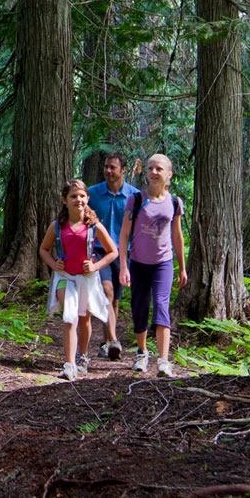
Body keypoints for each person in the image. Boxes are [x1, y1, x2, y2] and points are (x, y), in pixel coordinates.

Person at [39, 179, 118, 380]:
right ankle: (69, 364)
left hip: (87, 279)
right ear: (64, 200)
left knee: (84, 318)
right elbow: (43, 249)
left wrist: (95, 266)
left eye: (82, 196)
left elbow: (112, 252)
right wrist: (53, 264)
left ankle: (82, 356)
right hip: (65, 278)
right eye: (73, 196)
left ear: (88, 199)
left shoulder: (94, 226)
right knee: (70, 315)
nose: (78, 200)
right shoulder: (57, 226)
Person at [119, 153, 187, 377]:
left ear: (168, 174)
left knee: (161, 305)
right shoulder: (136, 200)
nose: (154, 172)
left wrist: (182, 267)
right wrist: (123, 266)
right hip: (138, 262)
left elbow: (177, 236)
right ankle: (141, 352)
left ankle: (164, 360)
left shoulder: (174, 203)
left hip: (163, 264)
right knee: (139, 306)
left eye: (159, 169)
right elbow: (125, 234)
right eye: (150, 169)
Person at [85, 152, 141, 361]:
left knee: (115, 299)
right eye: (106, 167)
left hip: (123, 253)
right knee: (106, 290)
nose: (108, 171)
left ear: (123, 170)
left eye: (113, 168)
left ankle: (106, 342)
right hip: (99, 251)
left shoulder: (134, 196)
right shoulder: (92, 193)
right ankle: (114, 340)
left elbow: (140, 226)